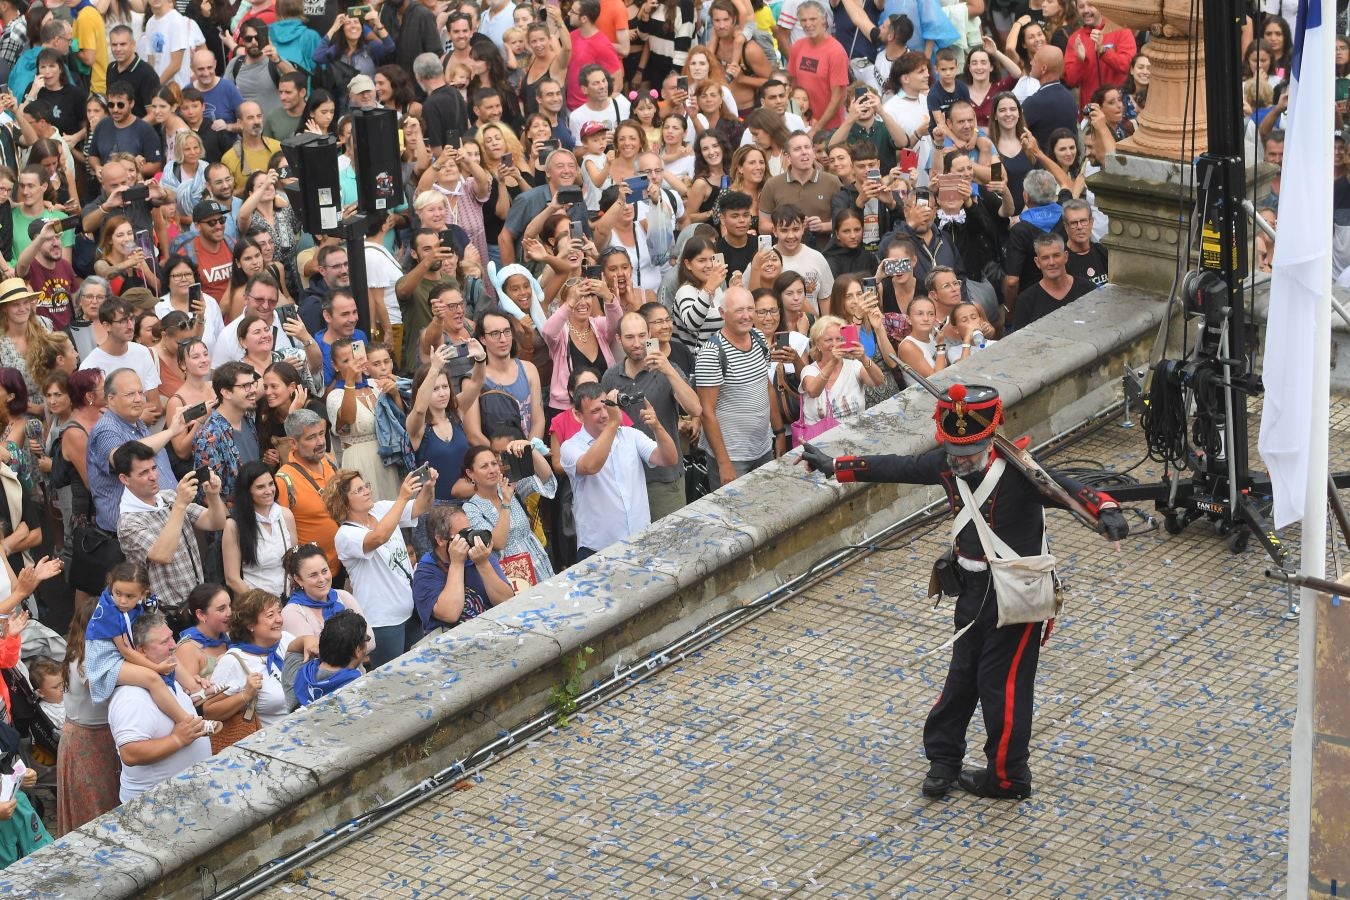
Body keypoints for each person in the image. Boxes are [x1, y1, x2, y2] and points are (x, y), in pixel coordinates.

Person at [799, 382, 1129, 800]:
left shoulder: (1022, 473)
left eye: (968, 453)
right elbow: (896, 466)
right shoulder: (947, 463)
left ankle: (1008, 777)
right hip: (972, 591)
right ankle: (944, 760)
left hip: (1017, 593)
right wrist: (835, 466)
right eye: (953, 453)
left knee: (1002, 688)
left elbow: (1068, 489)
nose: (958, 461)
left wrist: (1107, 510)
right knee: (961, 679)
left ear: (990, 441)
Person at [325, 468, 437, 668]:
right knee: (394, 678)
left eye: (366, 486)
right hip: (383, 621)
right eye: (358, 490)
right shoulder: (344, 535)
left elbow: (421, 507)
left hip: (410, 609)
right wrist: (402, 498)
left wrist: (429, 487)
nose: (367, 491)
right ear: (343, 501)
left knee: (422, 669)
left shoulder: (381, 508)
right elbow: (378, 537)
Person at [601, 310, 700, 521]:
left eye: (642, 336)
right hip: (625, 479)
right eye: (629, 337)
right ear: (618, 339)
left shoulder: (668, 369)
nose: (637, 343)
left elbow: (695, 409)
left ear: (649, 337)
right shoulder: (610, 376)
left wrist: (669, 371)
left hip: (664, 477)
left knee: (672, 541)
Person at [560, 381, 677, 558]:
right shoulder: (570, 447)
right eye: (595, 411)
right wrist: (614, 423)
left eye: (606, 407)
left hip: (641, 540)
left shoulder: (631, 435)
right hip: (597, 549)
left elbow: (669, 459)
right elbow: (590, 466)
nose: (604, 415)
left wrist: (657, 427)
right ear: (578, 415)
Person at [108, 611, 212, 802]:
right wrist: (177, 740)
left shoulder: (167, 677)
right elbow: (130, 752)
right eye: (164, 642)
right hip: (156, 804)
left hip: (184, 798)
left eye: (172, 637)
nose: (174, 646)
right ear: (141, 651)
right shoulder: (132, 697)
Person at [115, 441, 227, 612]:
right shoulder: (128, 522)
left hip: (196, 602)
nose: (153, 476)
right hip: (164, 613)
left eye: (153, 468)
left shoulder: (168, 496)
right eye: (144, 472)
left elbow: (216, 522)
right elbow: (162, 555)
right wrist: (180, 505)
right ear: (124, 479)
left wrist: (212, 496)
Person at [694, 286, 783, 489]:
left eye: (750, 309)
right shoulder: (712, 352)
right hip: (732, 456)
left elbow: (766, 386)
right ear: (723, 313)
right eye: (739, 310)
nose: (746, 316)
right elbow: (706, 412)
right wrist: (724, 463)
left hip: (763, 448)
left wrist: (778, 434)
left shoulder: (759, 337)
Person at [203, 588, 312, 728]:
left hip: (310, 726)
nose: (279, 619)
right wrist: (246, 695)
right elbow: (209, 711)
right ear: (250, 624)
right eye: (270, 615)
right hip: (276, 742)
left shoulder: (286, 640)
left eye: (279, 612)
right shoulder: (233, 660)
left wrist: (308, 640)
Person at [460, 442, 557, 585]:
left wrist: (530, 447)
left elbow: (546, 477)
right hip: (512, 574)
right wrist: (505, 501)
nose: (492, 470)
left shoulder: (509, 486)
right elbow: (498, 542)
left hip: (538, 561)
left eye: (494, 463)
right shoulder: (471, 508)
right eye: (484, 466)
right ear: (470, 473)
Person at [410, 504, 514, 631]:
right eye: (464, 534)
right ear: (441, 540)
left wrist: (483, 564)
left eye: (471, 530)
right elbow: (450, 614)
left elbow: (507, 601)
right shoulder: (426, 572)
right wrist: (457, 564)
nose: (472, 538)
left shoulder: (480, 556)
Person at [275, 409, 341, 574]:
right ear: (293, 443)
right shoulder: (283, 480)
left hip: (343, 563)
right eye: (311, 437)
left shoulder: (329, 461)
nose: (320, 442)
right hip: (314, 576)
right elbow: (282, 536)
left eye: (321, 433)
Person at [222, 460, 297, 598]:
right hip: (255, 606)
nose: (269, 491)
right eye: (260, 487)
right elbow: (232, 579)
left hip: (289, 599)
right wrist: (263, 606)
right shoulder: (234, 525)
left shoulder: (286, 515)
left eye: (271, 484)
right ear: (247, 491)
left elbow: (294, 560)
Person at [798, 313, 885, 428]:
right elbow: (813, 391)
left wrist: (863, 358)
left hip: (855, 435)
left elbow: (879, 381)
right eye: (829, 340)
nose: (835, 344)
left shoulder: (854, 366)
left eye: (839, 339)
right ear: (817, 344)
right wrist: (833, 362)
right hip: (820, 440)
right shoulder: (809, 370)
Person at [759, 132, 842, 248]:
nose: (804, 152)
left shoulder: (832, 182)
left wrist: (823, 226)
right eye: (797, 149)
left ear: (813, 152)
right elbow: (762, 226)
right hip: (785, 257)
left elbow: (845, 221)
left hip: (825, 254)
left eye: (807, 147)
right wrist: (787, 226)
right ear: (787, 156)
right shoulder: (772, 184)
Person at [279, 543, 371, 645]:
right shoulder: (292, 612)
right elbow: (312, 656)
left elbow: (370, 642)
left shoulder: (343, 597)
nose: (322, 579)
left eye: (324, 571)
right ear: (299, 579)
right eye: (313, 575)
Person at [1013, 232, 1096, 331]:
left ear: (1065, 256)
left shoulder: (1088, 290)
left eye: (1056, 255)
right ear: (1037, 262)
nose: (1051, 262)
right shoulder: (1026, 301)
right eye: (1045, 258)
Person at [1063, 2, 1135, 107]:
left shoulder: (1121, 31)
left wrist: (1103, 51)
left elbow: (1127, 66)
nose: (1086, 10)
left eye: (1091, 5)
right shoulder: (1075, 38)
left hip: (1119, 110)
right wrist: (1080, 60)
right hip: (1091, 111)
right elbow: (1070, 80)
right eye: (1081, 7)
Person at [291, 609, 368, 706]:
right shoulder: (357, 687)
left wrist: (307, 638)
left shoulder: (298, 674)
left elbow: (291, 650)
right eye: (366, 639)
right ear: (357, 650)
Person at [174, 583, 232, 702]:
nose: (229, 613)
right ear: (201, 614)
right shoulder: (187, 648)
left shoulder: (229, 636)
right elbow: (191, 699)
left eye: (230, 606)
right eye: (222, 609)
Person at [1061, 198, 1108, 288]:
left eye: (1083, 221)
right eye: (1074, 223)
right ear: (1066, 226)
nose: (1079, 227)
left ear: (1091, 222)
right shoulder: (1061, 261)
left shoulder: (1103, 252)